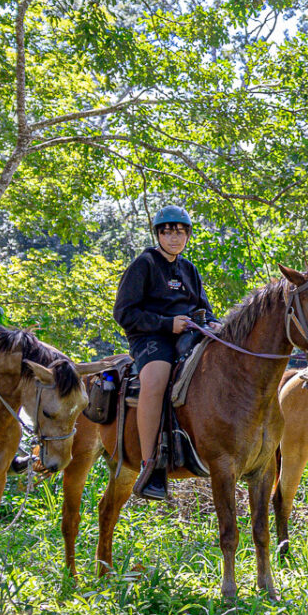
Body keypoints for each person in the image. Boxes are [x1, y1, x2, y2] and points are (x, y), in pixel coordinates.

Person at [113, 204, 214, 500]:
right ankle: (150, 466)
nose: (174, 238)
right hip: (151, 339)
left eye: (180, 232)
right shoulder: (144, 264)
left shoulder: (189, 269)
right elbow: (124, 313)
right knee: (156, 381)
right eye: (168, 232)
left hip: (189, 336)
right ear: (158, 234)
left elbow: (204, 310)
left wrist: (216, 325)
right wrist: (167, 324)